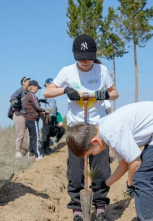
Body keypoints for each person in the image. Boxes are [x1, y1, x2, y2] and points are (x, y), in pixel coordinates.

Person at [66, 101, 153, 221]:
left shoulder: (113, 133)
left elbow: (135, 163)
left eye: (91, 153)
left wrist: (130, 184)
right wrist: (105, 184)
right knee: (139, 177)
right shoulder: (106, 129)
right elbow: (124, 165)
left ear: (94, 142)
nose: (93, 154)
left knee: (142, 178)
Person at [44, 34, 119, 221]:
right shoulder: (67, 71)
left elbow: (115, 93)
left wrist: (105, 94)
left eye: (89, 58)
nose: (85, 62)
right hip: (77, 128)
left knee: (101, 167)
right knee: (76, 170)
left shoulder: (101, 70)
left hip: (98, 128)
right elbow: (48, 91)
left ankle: (100, 208)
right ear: (74, 55)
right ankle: (77, 210)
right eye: (81, 59)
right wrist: (64, 90)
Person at [24, 80, 49, 161]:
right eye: (37, 87)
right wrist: (44, 110)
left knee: (32, 137)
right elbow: (37, 107)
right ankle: (37, 155)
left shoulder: (27, 95)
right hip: (33, 119)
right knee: (36, 137)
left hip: (28, 119)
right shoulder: (32, 95)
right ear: (33, 87)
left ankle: (31, 154)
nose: (37, 89)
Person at [10, 76, 31, 157]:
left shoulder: (29, 92)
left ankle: (31, 150)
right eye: (28, 81)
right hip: (19, 115)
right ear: (23, 83)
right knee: (21, 134)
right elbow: (13, 97)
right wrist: (16, 103)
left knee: (31, 134)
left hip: (28, 115)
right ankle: (18, 152)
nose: (29, 83)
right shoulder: (19, 91)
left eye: (30, 81)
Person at [40, 78, 58, 155]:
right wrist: (44, 111)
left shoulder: (52, 92)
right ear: (46, 83)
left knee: (49, 131)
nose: (51, 85)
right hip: (47, 114)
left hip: (52, 114)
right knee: (46, 131)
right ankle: (44, 149)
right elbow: (41, 101)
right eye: (50, 83)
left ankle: (47, 147)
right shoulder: (44, 90)